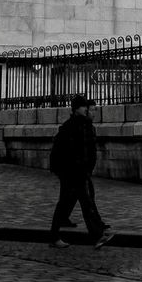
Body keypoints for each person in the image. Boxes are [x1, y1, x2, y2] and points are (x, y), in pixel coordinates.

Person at [48, 95, 114, 248]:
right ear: (76, 109)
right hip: (73, 172)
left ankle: (55, 236)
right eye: (83, 107)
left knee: (70, 203)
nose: (86, 109)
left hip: (74, 171)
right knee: (84, 203)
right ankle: (97, 236)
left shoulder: (78, 124)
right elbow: (74, 151)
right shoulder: (74, 126)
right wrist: (80, 168)